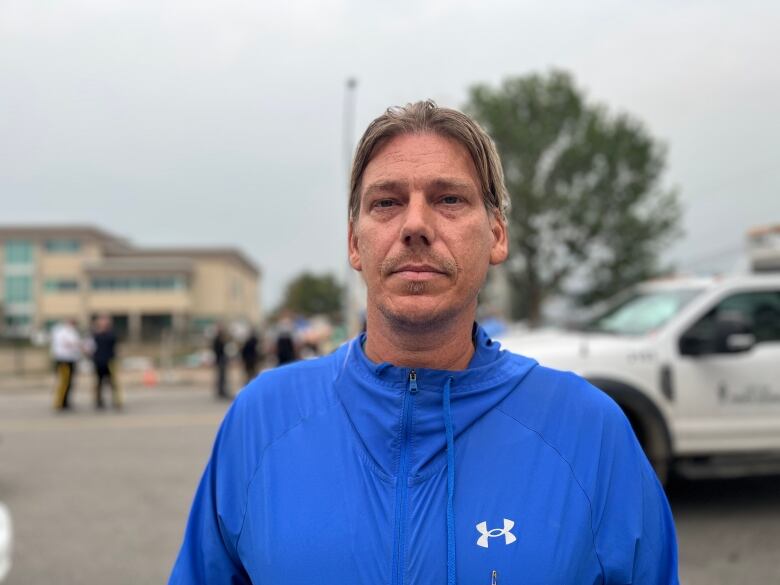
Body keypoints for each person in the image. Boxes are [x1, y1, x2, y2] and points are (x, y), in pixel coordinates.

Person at [170, 101, 678, 584]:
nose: (415, 225)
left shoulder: (588, 431)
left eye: (449, 199)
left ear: (497, 234)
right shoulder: (262, 420)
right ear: (354, 243)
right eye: (387, 202)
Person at [90, 314, 122, 410]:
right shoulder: (94, 334)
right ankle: (98, 401)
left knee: (113, 382)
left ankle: (117, 401)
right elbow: (89, 347)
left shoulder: (111, 333)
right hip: (98, 361)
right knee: (99, 383)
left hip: (110, 360)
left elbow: (115, 344)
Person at [50, 319, 82, 411]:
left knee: (69, 383)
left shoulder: (73, 332)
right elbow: (68, 344)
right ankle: (59, 402)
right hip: (63, 360)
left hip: (71, 360)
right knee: (63, 382)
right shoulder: (61, 332)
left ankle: (65, 401)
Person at [212, 324, 230, 400]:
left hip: (221, 359)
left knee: (222, 377)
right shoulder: (218, 339)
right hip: (220, 359)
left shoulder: (220, 339)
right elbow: (218, 350)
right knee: (221, 377)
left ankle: (222, 391)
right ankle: (221, 391)